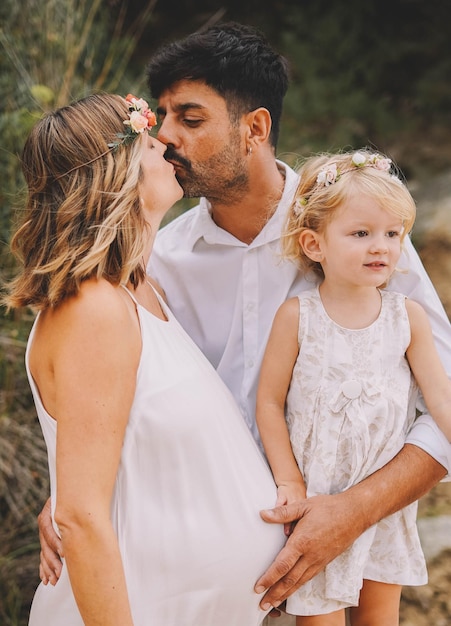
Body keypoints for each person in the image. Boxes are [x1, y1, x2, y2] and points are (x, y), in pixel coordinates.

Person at [37, 22, 451, 619]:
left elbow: (439, 414)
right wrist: (71, 488)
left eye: (192, 118)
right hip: (208, 593)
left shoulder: (361, 233)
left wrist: (352, 512)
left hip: (353, 557)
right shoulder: (157, 264)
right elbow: (119, 401)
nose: (167, 137)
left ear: (255, 128)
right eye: (162, 117)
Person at [5, 92, 286, 626]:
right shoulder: (93, 309)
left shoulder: (140, 289)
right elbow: (82, 517)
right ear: (117, 173)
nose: (166, 144)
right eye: (148, 140)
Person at [256, 149, 451, 625]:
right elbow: (268, 402)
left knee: (380, 618)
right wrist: (289, 479)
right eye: (361, 234)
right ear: (314, 244)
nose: (380, 246)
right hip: (318, 501)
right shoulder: (297, 317)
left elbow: (441, 399)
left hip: (381, 507)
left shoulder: (407, 317)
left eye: (392, 233)